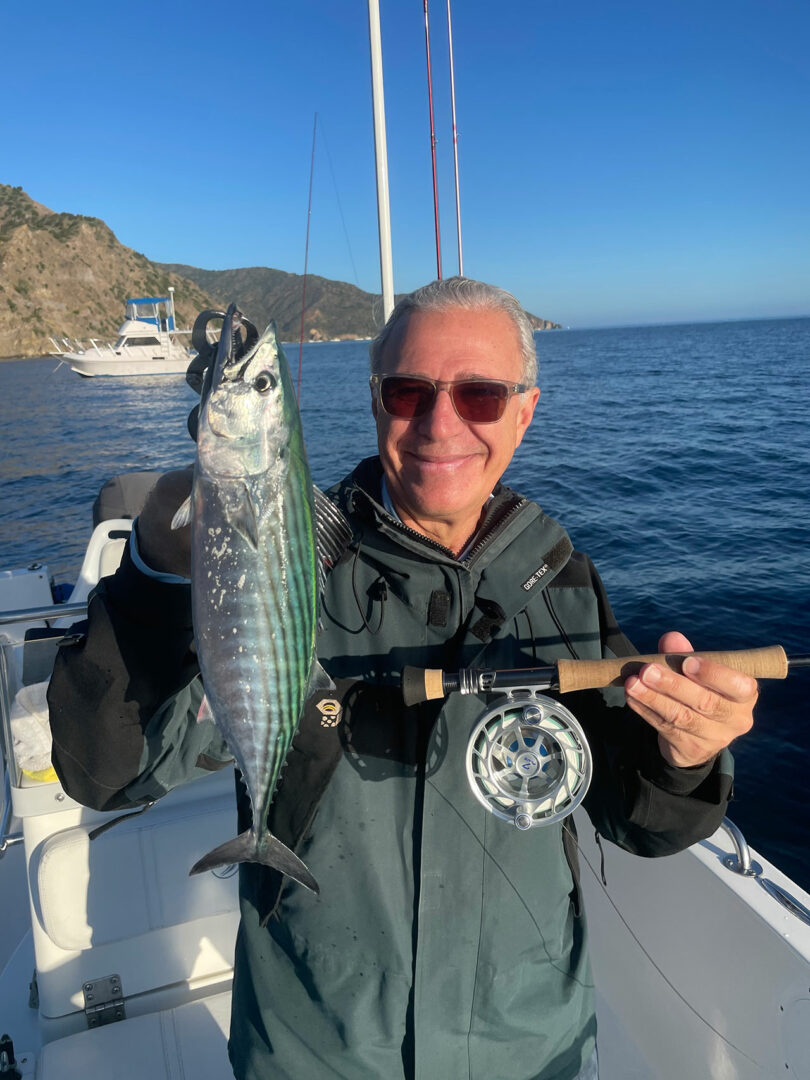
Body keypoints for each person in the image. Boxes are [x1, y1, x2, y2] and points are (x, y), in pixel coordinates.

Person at [48, 277, 758, 1080]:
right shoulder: (295, 568)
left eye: (481, 395)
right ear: (376, 401)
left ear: (524, 412)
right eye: (409, 390)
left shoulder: (558, 582)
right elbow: (105, 772)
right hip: (313, 1056)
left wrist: (686, 756)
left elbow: (643, 822)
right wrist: (153, 571)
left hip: (532, 1055)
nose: (440, 423)